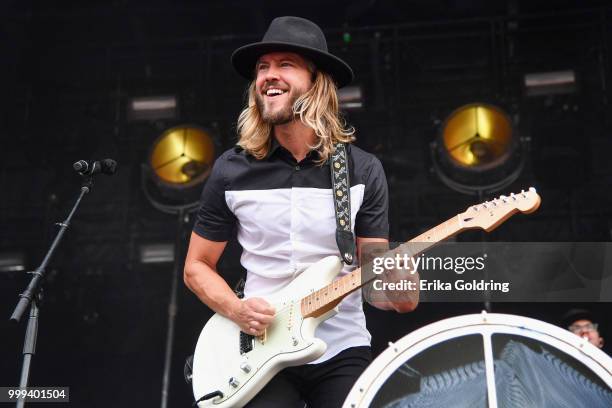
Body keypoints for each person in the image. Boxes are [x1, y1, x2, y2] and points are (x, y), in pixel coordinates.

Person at [184, 16, 418, 407]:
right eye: (263, 67)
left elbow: (380, 283)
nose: (268, 76)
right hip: (258, 346)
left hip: (341, 347)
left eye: (285, 64)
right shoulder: (231, 169)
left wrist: (402, 290)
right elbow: (196, 267)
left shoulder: (361, 171)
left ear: (317, 82)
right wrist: (237, 310)